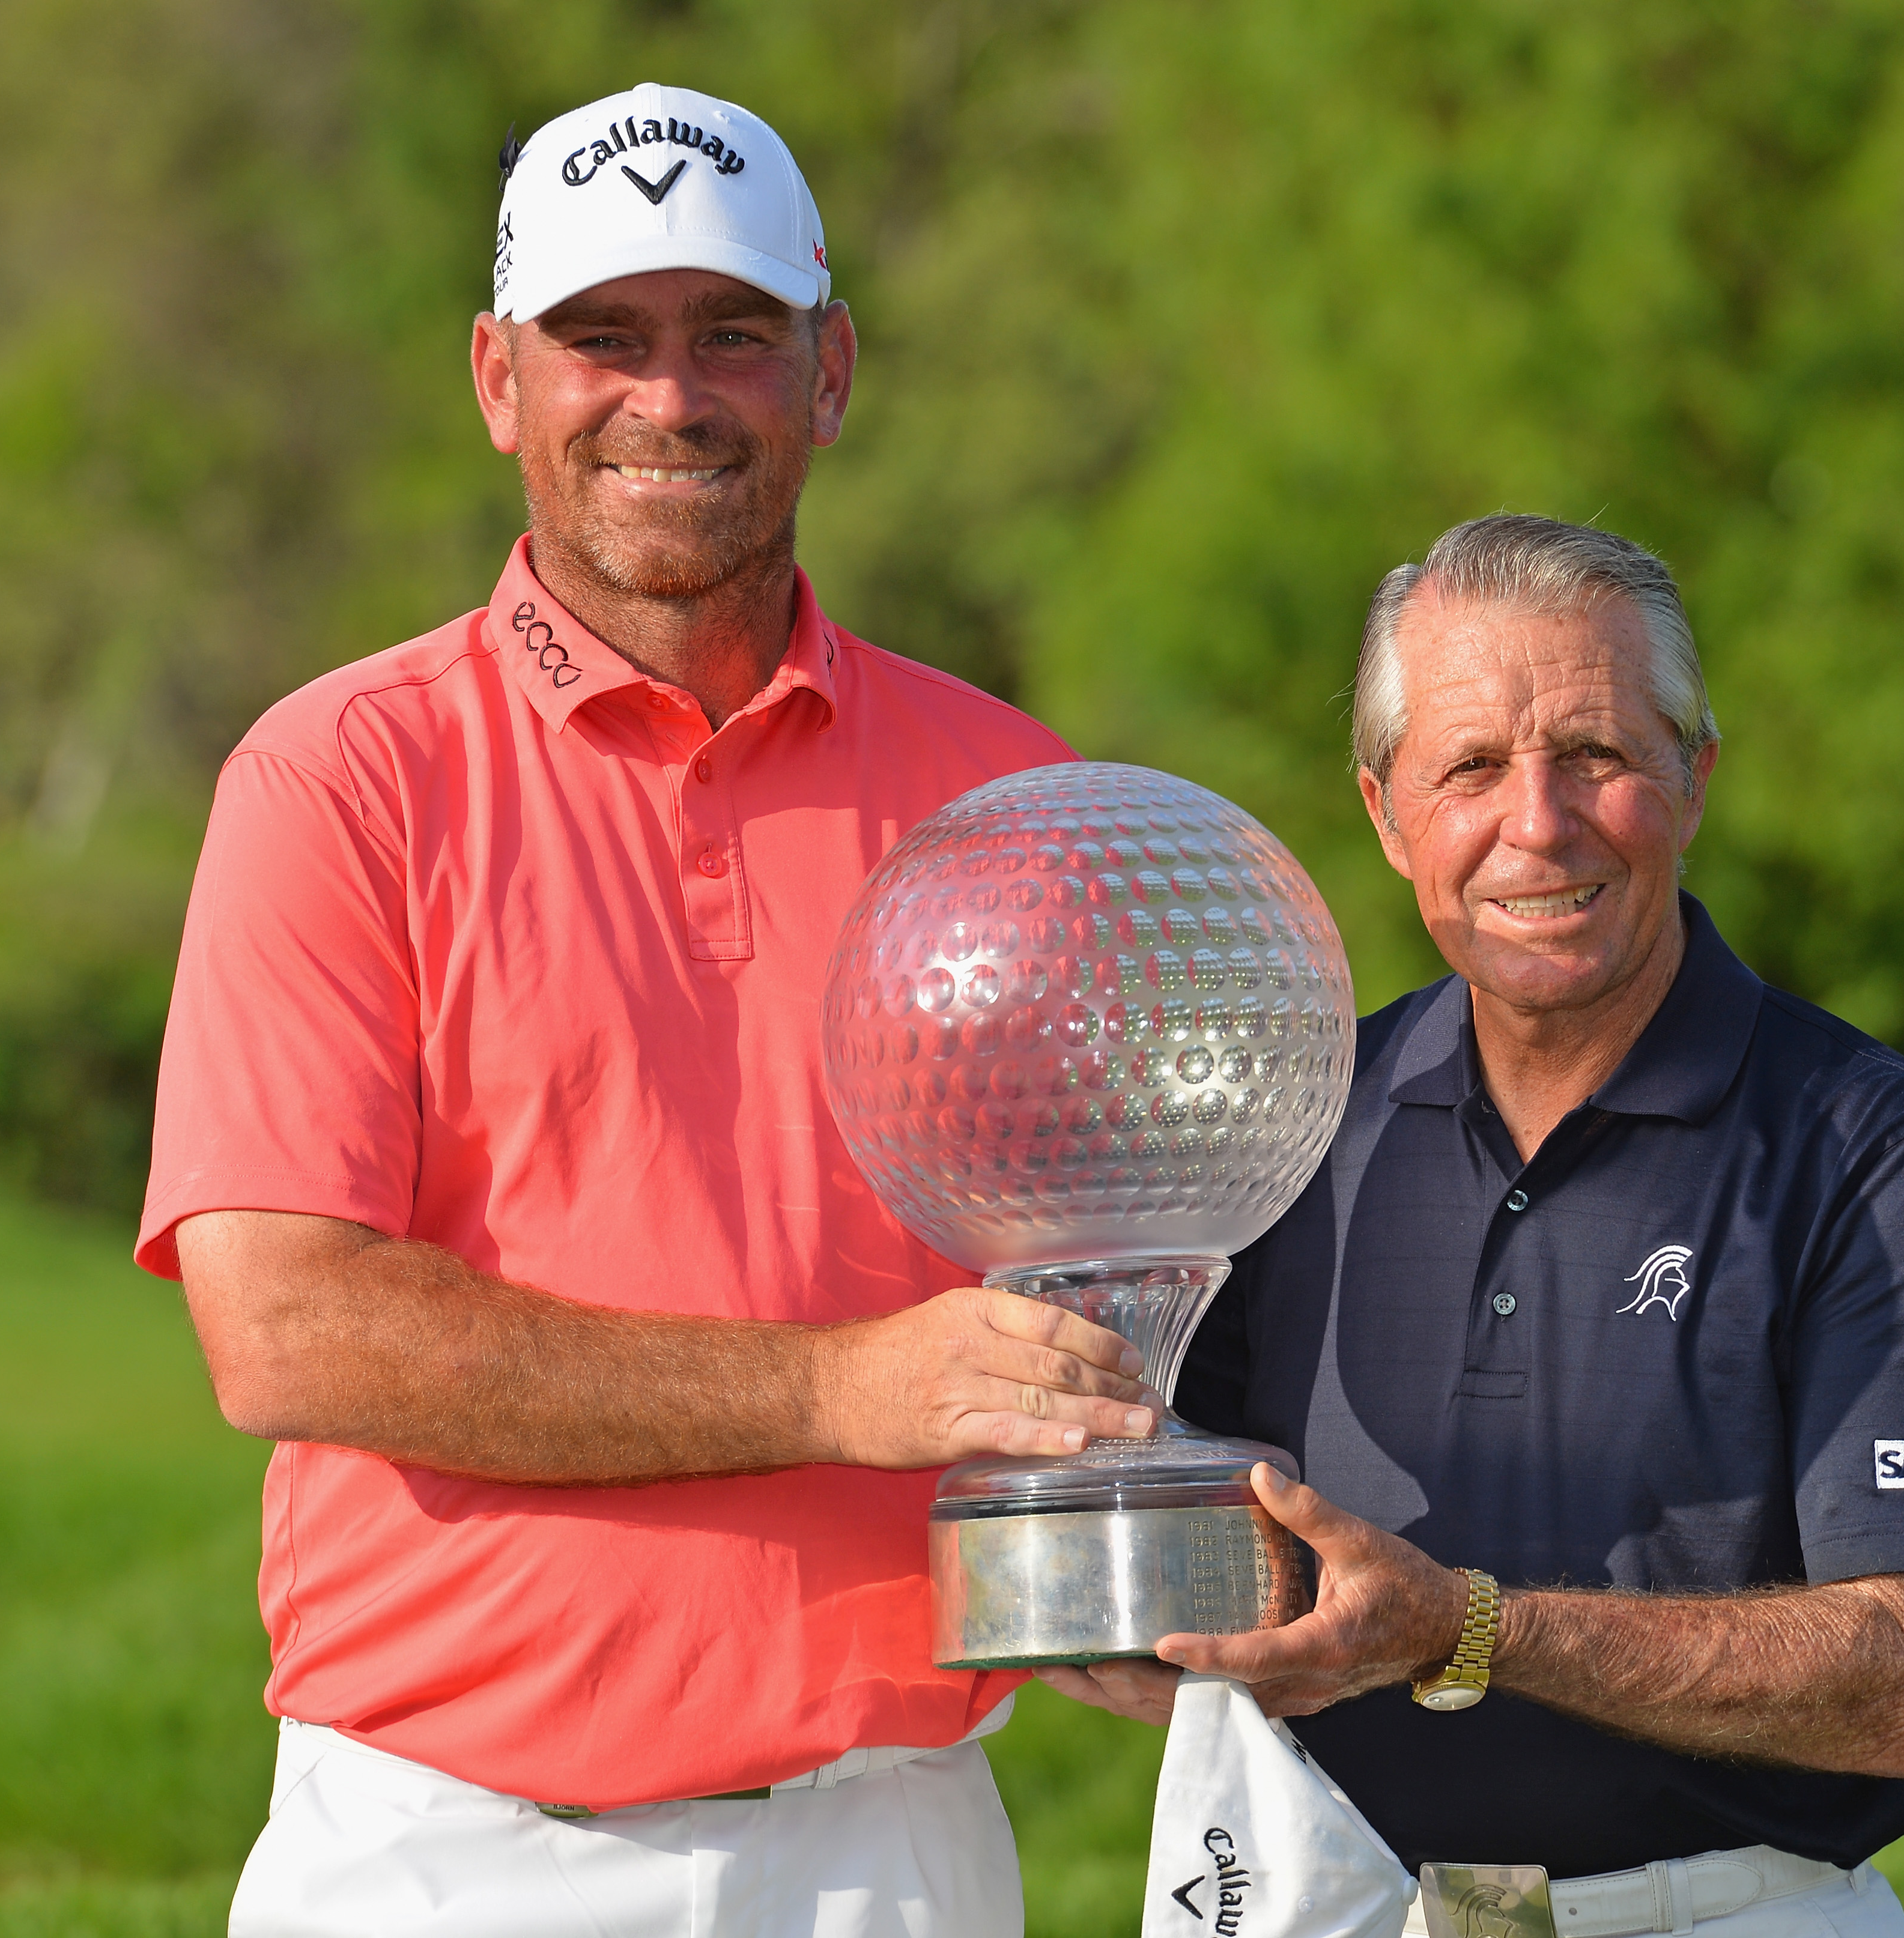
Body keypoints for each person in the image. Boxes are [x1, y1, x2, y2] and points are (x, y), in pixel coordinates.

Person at [136, 83, 1160, 1938]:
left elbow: (1115, 1268)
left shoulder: (1015, 794)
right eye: (601, 337)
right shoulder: (341, 777)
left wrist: (1128, 1533)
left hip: (896, 1837)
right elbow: (286, 1323)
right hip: (452, 1848)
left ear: (829, 372)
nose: (667, 396)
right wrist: (844, 1389)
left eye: (733, 337)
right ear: (498, 381)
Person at [1043, 515, 1904, 1938]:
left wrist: (1467, 1628)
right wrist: (1134, 1612)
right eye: (1469, 768)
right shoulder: (1282, 1129)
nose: (1536, 824)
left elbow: (1898, 1687)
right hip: (1326, 1907)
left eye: (1596, 755)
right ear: (1385, 814)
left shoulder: (1872, 1144)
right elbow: (1177, 1536)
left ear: (1692, 779)